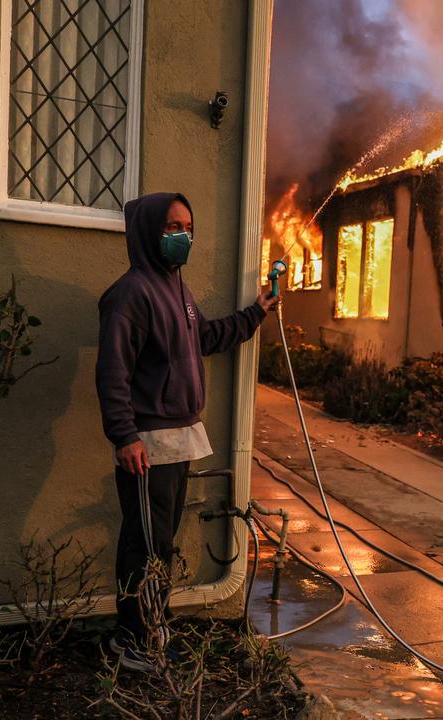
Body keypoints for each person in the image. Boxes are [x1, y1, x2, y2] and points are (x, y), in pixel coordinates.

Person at [95, 192, 277, 672]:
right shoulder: (131, 293)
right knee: (145, 542)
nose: (184, 236)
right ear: (149, 231)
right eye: (174, 226)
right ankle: (132, 639)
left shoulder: (177, 290)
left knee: (161, 541)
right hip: (147, 446)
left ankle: (152, 626)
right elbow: (112, 372)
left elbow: (205, 340)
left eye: (189, 227)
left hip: (178, 442)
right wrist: (125, 436)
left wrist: (256, 312)